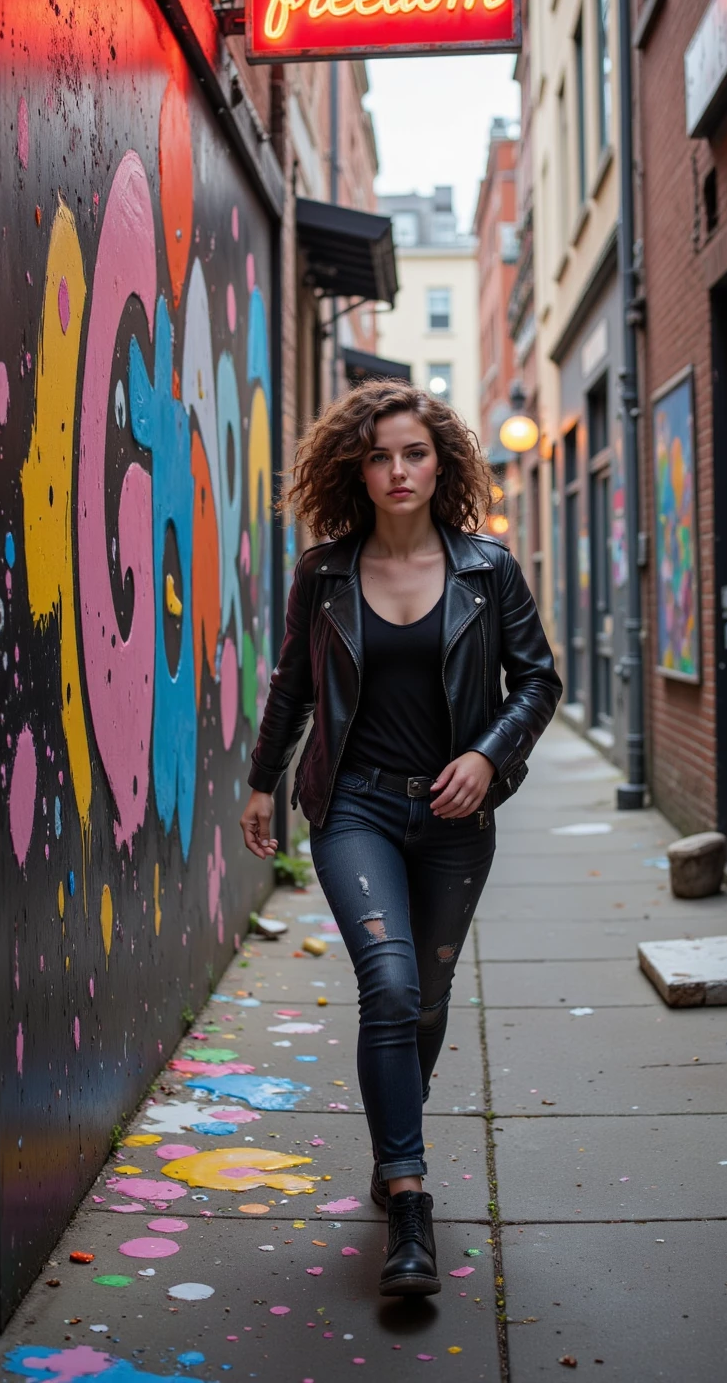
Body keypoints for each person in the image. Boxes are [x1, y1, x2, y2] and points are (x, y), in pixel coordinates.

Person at [240, 380, 561, 1297]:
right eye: (378, 456)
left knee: (425, 998)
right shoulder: (325, 575)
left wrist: (488, 757)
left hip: (457, 818)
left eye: (414, 452)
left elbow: (538, 681)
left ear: (441, 462)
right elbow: (294, 683)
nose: (397, 471)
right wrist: (263, 782)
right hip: (356, 809)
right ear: (357, 470)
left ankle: (392, 1150)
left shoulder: (487, 570)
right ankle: (409, 1200)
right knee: (389, 984)